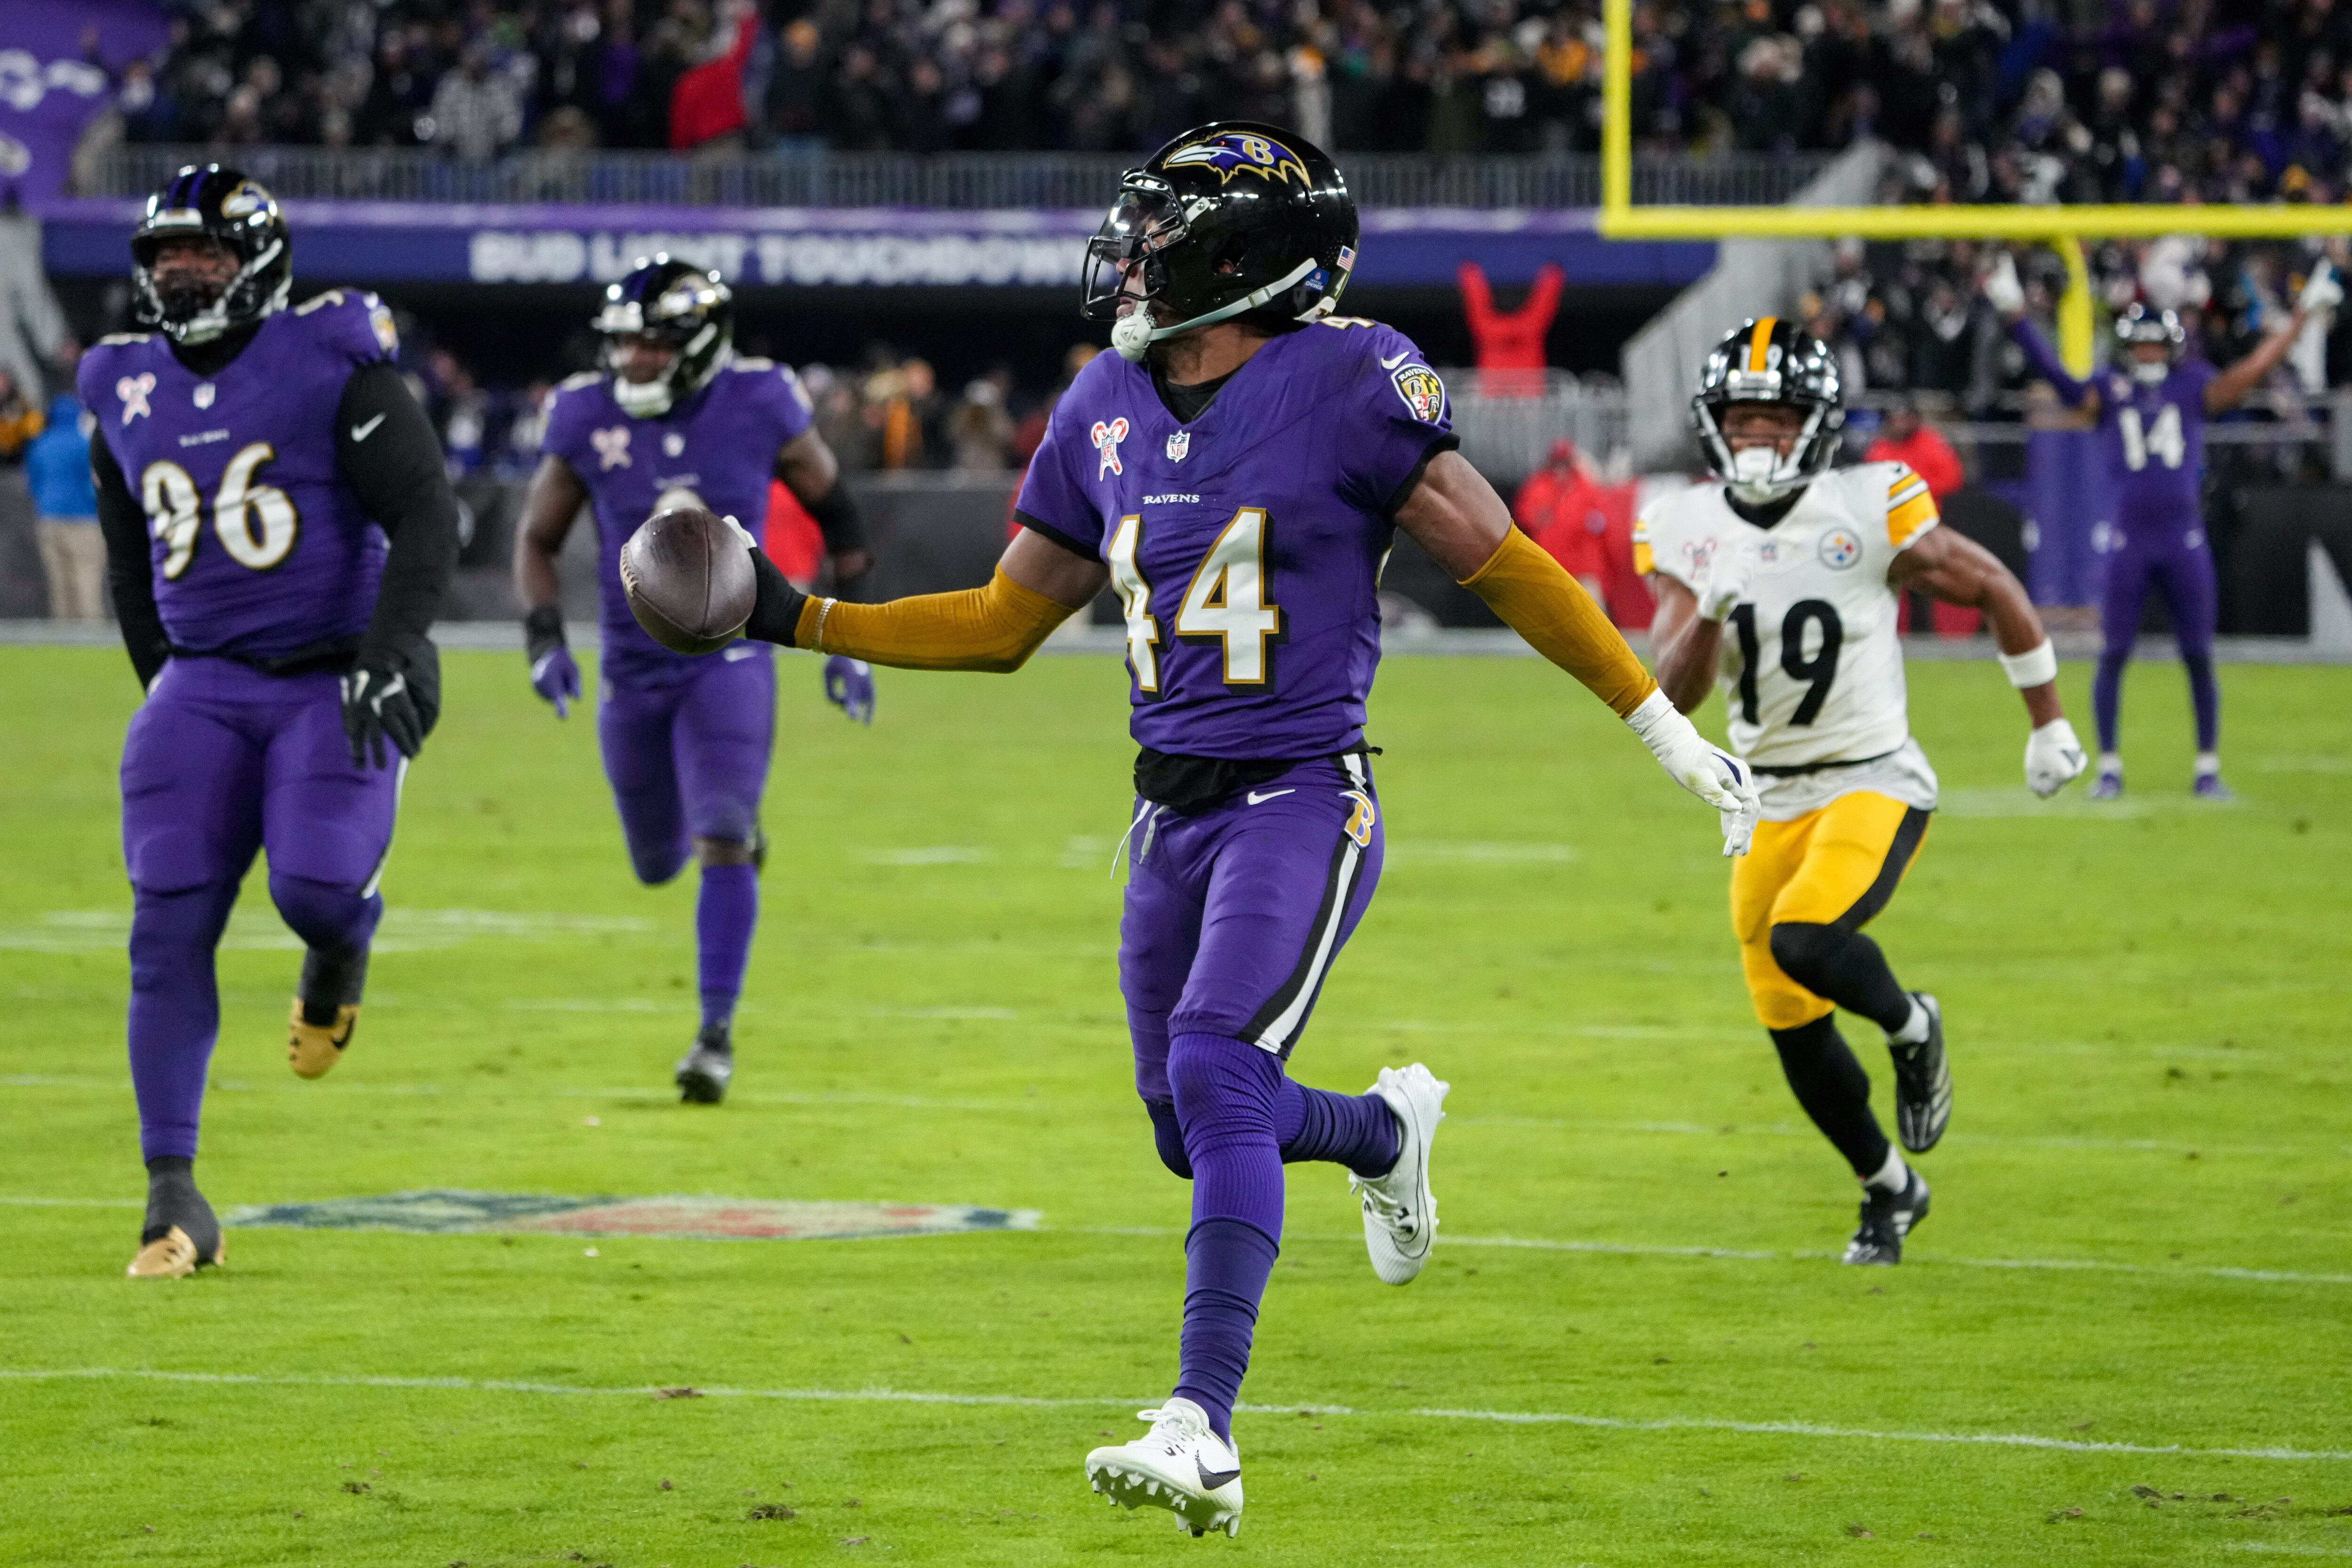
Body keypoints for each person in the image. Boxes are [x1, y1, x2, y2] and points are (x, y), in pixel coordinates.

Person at [642, 121, 1758, 1534]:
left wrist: (1657, 723)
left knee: (1214, 1060)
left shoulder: (1353, 378)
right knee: (1185, 1121)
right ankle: (1375, 1132)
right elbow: (1002, 623)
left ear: (1235, 256)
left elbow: (1503, 563)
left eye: (1161, 227)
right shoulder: (1104, 399)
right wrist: (794, 617)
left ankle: (1202, 1425)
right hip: (1164, 816)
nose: (1132, 249)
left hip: (1302, 792)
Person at [1640, 317, 2087, 1267]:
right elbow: (1666, 695)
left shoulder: (1869, 502)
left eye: (1776, 418)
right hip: (1760, 797)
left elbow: (1996, 586)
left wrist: (2047, 719)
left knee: (1806, 938)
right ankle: (1890, 1189)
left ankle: (1910, 1024)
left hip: (1871, 777)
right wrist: (1711, 610)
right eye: (1741, 418)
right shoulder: (1687, 524)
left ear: (1817, 423)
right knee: (1787, 1018)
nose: (1756, 436)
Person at [80, 165, 459, 1279]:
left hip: (327, 674)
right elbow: (126, 557)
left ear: (255, 259)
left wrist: (391, 651)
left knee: (315, 890)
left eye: (201, 253)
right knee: (165, 930)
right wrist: (168, 681)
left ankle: (341, 954)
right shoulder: (122, 386)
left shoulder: (331, 355)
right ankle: (173, 1196)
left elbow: (425, 507)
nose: (178, 273)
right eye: (162, 257)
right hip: (202, 682)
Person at [513, 255, 876, 1105]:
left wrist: (851, 639)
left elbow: (841, 513)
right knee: (654, 861)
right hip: (632, 669)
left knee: (720, 831)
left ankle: (714, 1034)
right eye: (625, 343)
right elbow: (537, 538)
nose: (633, 359)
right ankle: (732, 847)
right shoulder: (583, 411)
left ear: (701, 343)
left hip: (733, 654)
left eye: (651, 343)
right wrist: (543, 637)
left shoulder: (758, 400)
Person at [1983, 253, 2341, 800]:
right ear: (2129, 349)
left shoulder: (2193, 385)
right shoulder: (2109, 390)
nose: (2147, 354)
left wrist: (2299, 321)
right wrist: (2013, 315)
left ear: (2170, 348)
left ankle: (2205, 767)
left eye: (2155, 345)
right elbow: (2057, 379)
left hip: (2182, 537)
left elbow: (2249, 373)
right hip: (2131, 536)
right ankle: (2107, 767)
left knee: (2198, 654)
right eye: (2140, 345)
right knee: (2113, 654)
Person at [26, 391, 105, 619]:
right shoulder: (84, 445)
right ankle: (90, 638)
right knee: (87, 580)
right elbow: (95, 483)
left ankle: (63, 639)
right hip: (85, 521)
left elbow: (33, 483)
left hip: (49, 519)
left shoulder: (40, 444)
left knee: (60, 585)